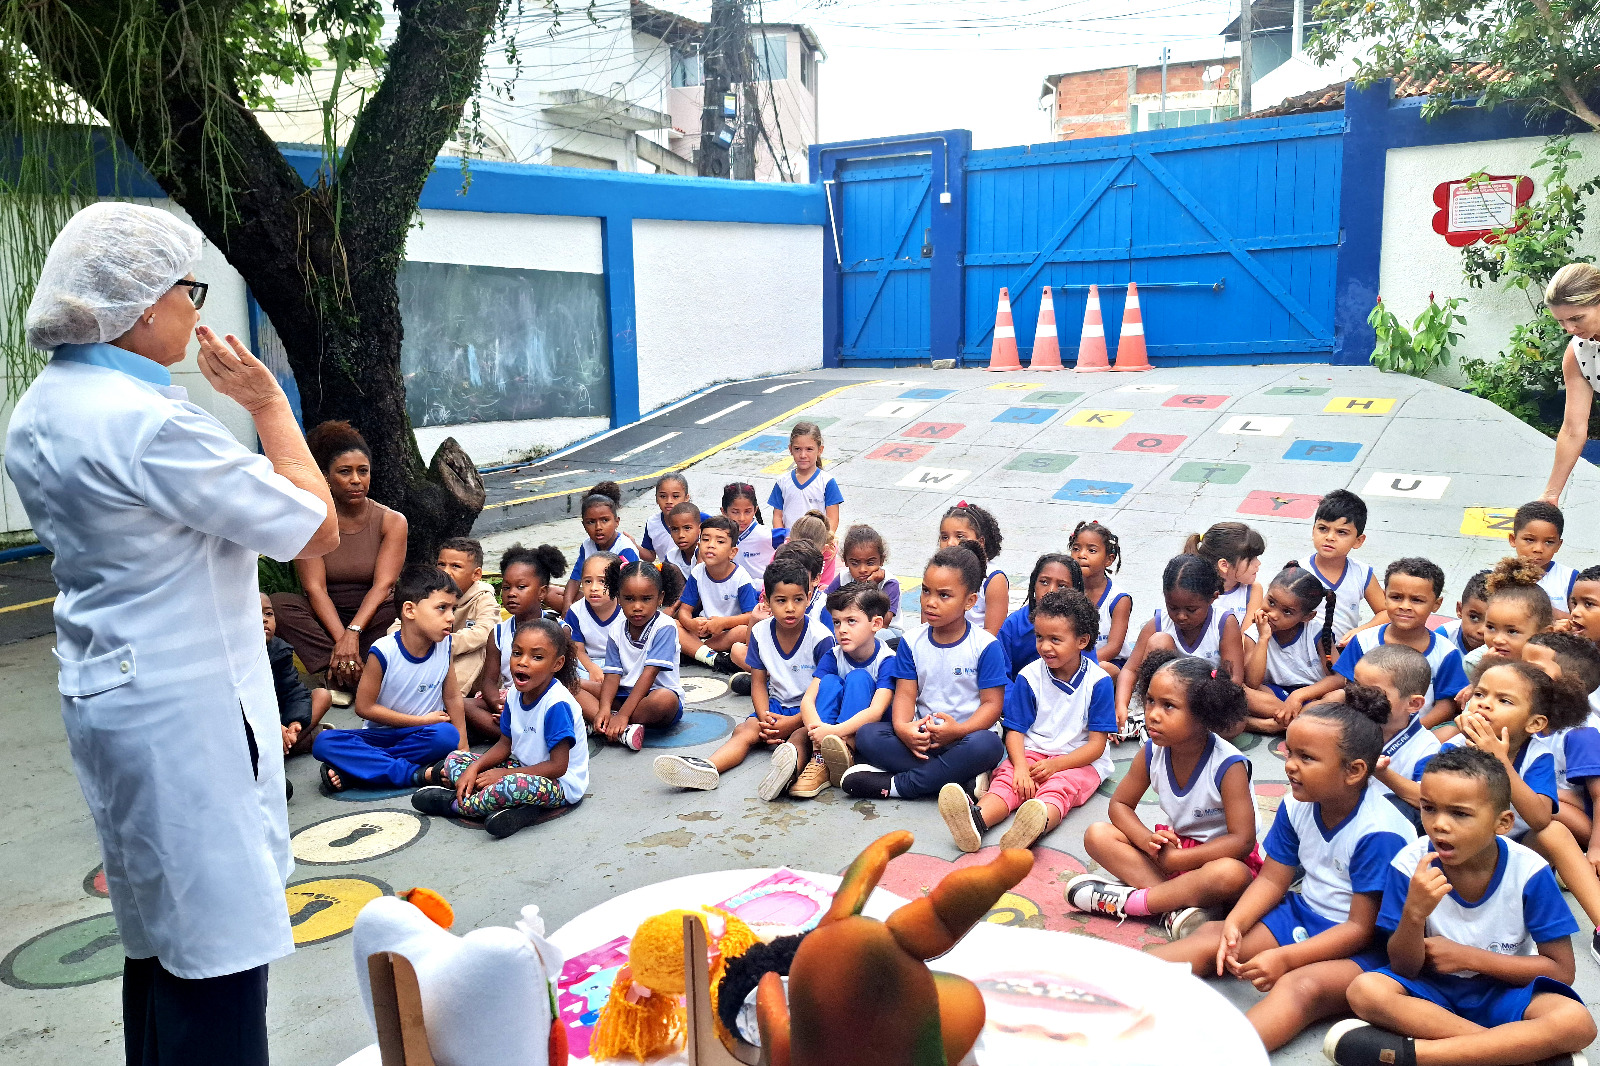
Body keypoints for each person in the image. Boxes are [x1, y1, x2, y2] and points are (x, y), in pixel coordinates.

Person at [5, 202, 338, 1065]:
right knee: (221, 955)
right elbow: (315, 529)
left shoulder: (42, 408)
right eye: (190, 291)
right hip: (188, 716)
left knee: (159, 941)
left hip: (116, 699)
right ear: (144, 307)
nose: (199, 312)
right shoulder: (152, 424)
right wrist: (268, 404)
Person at [1151, 699, 1416, 1053]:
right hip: (1304, 912)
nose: (1290, 766)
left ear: (1353, 771)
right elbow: (1273, 880)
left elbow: (1360, 928)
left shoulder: (1379, 833)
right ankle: (1106, 988)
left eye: (1306, 758)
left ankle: (1220, 1056)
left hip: (1365, 947)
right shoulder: (1297, 804)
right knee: (1214, 936)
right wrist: (1237, 923)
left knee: (1301, 986)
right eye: (1289, 753)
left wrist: (1287, 958)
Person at [1327, 747, 1596, 1066]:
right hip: (1431, 992)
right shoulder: (1410, 866)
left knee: (1577, 1022)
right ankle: (1512, 1054)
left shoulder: (1529, 872)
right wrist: (1414, 914)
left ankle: (1419, 1056)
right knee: (1365, 990)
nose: (1439, 824)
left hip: (1503, 991)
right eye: (1428, 808)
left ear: (1503, 822)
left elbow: (1561, 971)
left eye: (1460, 813)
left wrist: (1469, 957)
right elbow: (1403, 968)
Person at [1068, 651, 1259, 942]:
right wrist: (1146, 839)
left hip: (1217, 859)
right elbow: (1119, 805)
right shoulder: (1152, 751)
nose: (1153, 714)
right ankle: (1177, 909)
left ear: (1204, 714)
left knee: (1230, 875)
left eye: (1169, 706)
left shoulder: (1227, 765)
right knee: (1097, 835)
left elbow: (1242, 841)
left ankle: (1133, 903)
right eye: (1150, 701)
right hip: (1174, 852)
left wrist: (1181, 859)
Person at [940, 589, 1114, 852]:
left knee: (1060, 789)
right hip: (1032, 753)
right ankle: (976, 820)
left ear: (1082, 641)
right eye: (1040, 637)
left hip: (1078, 759)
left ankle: (1036, 824)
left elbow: (1096, 746)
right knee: (1007, 780)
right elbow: (1014, 731)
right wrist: (1020, 767)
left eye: (1055, 639)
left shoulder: (1098, 682)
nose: (1045, 646)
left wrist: (1057, 765)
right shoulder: (1030, 676)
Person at [840, 542, 1008, 800]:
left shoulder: (986, 646)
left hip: (966, 736)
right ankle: (959, 779)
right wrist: (904, 729)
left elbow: (992, 706)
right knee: (867, 736)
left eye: (944, 595)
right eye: (925, 591)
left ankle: (900, 785)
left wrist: (959, 731)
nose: (930, 602)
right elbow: (906, 695)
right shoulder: (911, 641)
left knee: (989, 745)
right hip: (922, 737)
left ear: (970, 601)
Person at [654, 557, 832, 798]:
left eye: (798, 599)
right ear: (767, 601)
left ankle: (786, 775)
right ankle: (708, 768)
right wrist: (764, 718)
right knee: (744, 730)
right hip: (775, 706)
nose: (790, 607)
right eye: (781, 600)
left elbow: (826, 690)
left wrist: (794, 722)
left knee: (800, 738)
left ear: (808, 598)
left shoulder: (820, 637)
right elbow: (758, 682)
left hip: (810, 710)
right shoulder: (759, 632)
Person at [412, 619, 588, 839]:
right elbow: (504, 745)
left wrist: (504, 774)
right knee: (456, 760)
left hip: (560, 784)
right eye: (517, 653)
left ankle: (456, 805)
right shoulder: (514, 693)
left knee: (509, 786)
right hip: (523, 767)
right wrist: (474, 769)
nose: (523, 662)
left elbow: (558, 767)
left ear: (557, 664)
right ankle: (521, 810)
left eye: (537, 657)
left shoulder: (556, 705)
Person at [270, 420, 407, 698]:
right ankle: (346, 672)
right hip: (325, 617)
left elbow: (383, 585)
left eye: (363, 471)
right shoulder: (311, 521)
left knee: (405, 607)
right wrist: (342, 640)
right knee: (278, 606)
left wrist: (353, 633)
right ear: (327, 477)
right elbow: (315, 589)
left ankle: (348, 677)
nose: (356, 480)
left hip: (374, 618)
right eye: (345, 472)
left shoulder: (392, 521)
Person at [312, 566, 468, 792]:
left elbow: (452, 697)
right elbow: (364, 708)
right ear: (409, 610)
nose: (451, 617)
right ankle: (415, 774)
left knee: (446, 736)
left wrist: (462, 747)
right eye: (442, 608)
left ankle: (355, 771)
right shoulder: (384, 651)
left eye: (453, 609)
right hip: (380, 735)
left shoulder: (445, 646)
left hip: (423, 737)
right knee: (324, 742)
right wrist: (421, 721)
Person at [1116, 554, 1245, 737]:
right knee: (1159, 640)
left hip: (1205, 701)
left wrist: (1203, 709)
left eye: (1191, 610)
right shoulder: (1159, 623)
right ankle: (1154, 721)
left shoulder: (1224, 623)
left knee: (1235, 725)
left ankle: (1182, 728)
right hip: (1165, 703)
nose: (1181, 616)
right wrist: (1121, 706)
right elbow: (1130, 670)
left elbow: (1234, 680)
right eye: (1173, 608)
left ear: (1213, 598)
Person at [1334, 558, 1470, 727]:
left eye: (1417, 600)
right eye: (1396, 597)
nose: (1405, 606)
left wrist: (1409, 734)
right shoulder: (1363, 640)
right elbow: (1347, 686)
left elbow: (1446, 705)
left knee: (1451, 732)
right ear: (1385, 597)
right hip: (1365, 727)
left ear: (1436, 604)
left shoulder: (1445, 652)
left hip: (1419, 728)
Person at [801, 582, 899, 792]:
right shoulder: (833, 655)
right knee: (828, 682)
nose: (842, 630)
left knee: (859, 678)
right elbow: (808, 700)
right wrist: (818, 733)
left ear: (876, 623)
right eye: (836, 622)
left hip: (866, 735)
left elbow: (876, 711)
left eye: (851, 621)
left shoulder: (887, 660)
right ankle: (820, 758)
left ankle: (845, 752)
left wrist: (834, 732)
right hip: (827, 734)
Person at [474, 543, 570, 738]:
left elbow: (566, 680)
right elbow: (489, 682)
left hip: (546, 697)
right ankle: (517, 735)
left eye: (521, 587)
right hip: (511, 696)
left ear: (542, 592)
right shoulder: (498, 633)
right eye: (507, 587)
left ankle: (515, 735)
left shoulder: (559, 630)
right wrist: (498, 704)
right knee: (465, 705)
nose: (511, 593)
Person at [597, 560, 687, 750]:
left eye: (646, 599)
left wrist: (622, 715)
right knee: (574, 686)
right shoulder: (616, 629)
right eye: (629, 599)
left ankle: (609, 724)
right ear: (618, 598)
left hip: (653, 697)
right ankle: (611, 724)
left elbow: (649, 674)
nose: (637, 606)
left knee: (665, 700)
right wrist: (605, 707)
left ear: (660, 598)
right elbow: (612, 674)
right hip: (624, 694)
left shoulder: (665, 626)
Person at [1242, 561, 1336, 733]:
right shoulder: (1254, 633)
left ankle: (1270, 726)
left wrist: (1298, 696)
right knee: (1240, 692)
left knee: (1340, 696)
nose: (1274, 615)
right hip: (1273, 697)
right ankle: (1299, 723)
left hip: (1312, 697)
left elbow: (1338, 678)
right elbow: (1252, 682)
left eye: (1287, 612)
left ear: (1307, 616)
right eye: (1271, 602)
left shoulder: (1317, 633)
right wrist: (1264, 638)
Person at [401, 537, 499, 699]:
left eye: (456, 566)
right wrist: (420, 641)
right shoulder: (428, 592)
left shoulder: (483, 598)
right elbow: (400, 625)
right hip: (430, 656)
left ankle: (448, 701)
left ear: (476, 574)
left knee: (478, 649)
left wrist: (442, 643)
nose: (446, 572)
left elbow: (485, 631)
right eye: (441, 564)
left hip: (473, 673)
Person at [1537, 262, 1600, 505]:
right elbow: (1573, 429)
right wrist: (1550, 495)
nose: (1570, 329)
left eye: (1576, 318)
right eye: (1561, 321)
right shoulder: (1579, 352)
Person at [1355, 647, 1441, 815]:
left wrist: (1382, 772)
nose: (1357, 696)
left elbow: (1427, 799)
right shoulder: (1344, 724)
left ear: (1414, 704)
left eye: (1373, 693)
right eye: (1355, 685)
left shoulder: (1426, 746)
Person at [677, 515, 757, 674]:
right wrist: (691, 624)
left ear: (733, 552)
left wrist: (723, 623)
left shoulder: (741, 578)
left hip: (726, 634)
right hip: (702, 631)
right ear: (699, 546)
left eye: (720, 541)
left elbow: (751, 616)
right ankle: (716, 659)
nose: (711, 545)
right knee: (672, 625)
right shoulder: (698, 572)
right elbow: (684, 611)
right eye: (706, 540)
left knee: (742, 631)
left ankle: (695, 653)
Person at [1302, 489, 1385, 640]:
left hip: (1342, 653)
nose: (1330, 537)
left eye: (1342, 532)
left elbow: (1386, 612)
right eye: (1323, 529)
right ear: (1313, 531)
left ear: (1358, 541)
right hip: (1300, 655)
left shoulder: (1362, 573)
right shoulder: (1297, 571)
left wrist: (1362, 630)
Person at [996, 552, 1086, 679]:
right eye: (1044, 582)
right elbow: (1001, 675)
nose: (1051, 591)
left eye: (1061, 586)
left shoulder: (1080, 625)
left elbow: (1087, 671)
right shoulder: (1013, 625)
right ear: (1033, 585)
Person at [263, 594, 331, 759]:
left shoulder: (279, 650)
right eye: (254, 614)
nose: (264, 620)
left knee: (322, 696)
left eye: (268, 614)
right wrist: (272, 726)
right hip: (254, 724)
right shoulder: (232, 659)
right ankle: (300, 743)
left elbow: (293, 691)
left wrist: (295, 723)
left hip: (281, 717)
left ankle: (287, 742)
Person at [559, 481, 640, 611]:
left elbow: (631, 588)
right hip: (594, 597)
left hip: (619, 603)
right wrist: (566, 607)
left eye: (605, 520)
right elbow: (575, 579)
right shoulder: (587, 546)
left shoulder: (625, 548)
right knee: (553, 593)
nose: (598, 528)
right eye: (591, 522)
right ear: (583, 524)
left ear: (616, 522)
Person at [938, 501, 1008, 635]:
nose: (950, 543)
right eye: (944, 537)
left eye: (960, 536)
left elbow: (993, 633)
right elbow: (927, 624)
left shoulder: (993, 579)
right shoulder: (937, 573)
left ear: (980, 542)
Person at [1071, 519, 1132, 663]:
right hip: (1069, 662)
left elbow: (1113, 647)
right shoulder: (1067, 591)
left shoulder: (1118, 600)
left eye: (1091, 550)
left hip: (1109, 662)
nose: (1081, 555)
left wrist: (1079, 665)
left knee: (1105, 668)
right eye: (1076, 548)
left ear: (1109, 560)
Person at [564, 551, 624, 695]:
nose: (593, 588)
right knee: (567, 670)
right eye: (588, 581)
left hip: (621, 662)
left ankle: (600, 693)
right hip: (588, 662)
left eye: (602, 581)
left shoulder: (626, 609)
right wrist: (592, 668)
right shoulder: (576, 611)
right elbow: (577, 649)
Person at [1186, 522, 1265, 629]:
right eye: (1251, 559)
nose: (1258, 563)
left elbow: (1246, 639)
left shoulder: (1253, 590)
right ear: (1224, 565)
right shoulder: (1195, 591)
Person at [768, 421, 843, 531]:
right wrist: (782, 541)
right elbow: (777, 516)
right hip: (790, 544)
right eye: (797, 449)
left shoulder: (827, 482)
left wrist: (823, 541)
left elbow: (832, 519)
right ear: (790, 449)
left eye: (809, 449)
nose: (803, 455)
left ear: (820, 450)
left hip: (817, 545)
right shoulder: (782, 482)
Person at [823, 524, 900, 631]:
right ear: (845, 561)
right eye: (855, 563)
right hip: (852, 629)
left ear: (881, 560)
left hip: (887, 633)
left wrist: (871, 586)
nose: (862, 569)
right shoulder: (843, 578)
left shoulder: (889, 583)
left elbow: (884, 622)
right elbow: (822, 603)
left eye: (870, 563)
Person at [1507, 500, 1574, 617]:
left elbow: (1580, 624)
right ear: (1513, 539)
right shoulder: (1496, 578)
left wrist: (1542, 609)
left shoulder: (1569, 580)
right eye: (1529, 539)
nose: (1538, 549)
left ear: (1558, 545)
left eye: (1549, 542)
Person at [724, 481, 785, 581]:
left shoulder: (766, 535)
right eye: (735, 512)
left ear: (755, 510)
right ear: (724, 512)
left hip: (761, 592)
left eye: (747, 511)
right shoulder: (719, 534)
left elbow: (798, 535)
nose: (742, 518)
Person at [638, 473, 691, 563]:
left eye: (675, 496)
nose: (669, 501)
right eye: (663, 496)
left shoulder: (699, 519)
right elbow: (650, 556)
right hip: (667, 573)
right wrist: (634, 545)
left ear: (686, 498)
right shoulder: (652, 523)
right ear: (656, 498)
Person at [1435, 570, 1490, 657]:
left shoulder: (1504, 650)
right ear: (1459, 609)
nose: (1482, 630)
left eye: (1491, 625)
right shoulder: (1444, 637)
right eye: (1474, 617)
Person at [658, 500, 703, 584]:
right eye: (675, 529)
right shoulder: (671, 557)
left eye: (687, 528)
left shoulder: (706, 552)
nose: (681, 535)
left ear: (699, 529)